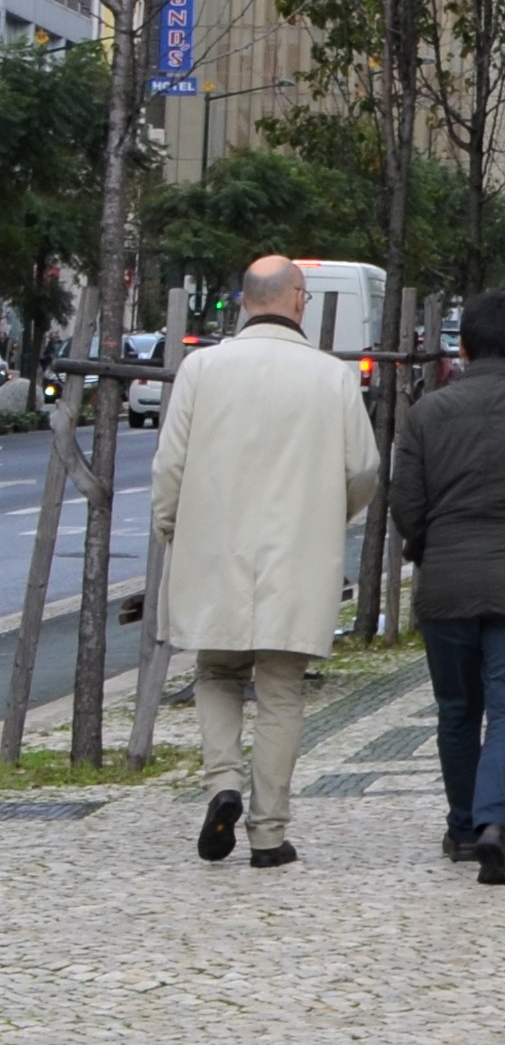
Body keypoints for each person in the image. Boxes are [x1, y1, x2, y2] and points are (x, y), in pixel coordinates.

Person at [149, 257, 380, 872]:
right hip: (296, 552)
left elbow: (170, 465)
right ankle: (268, 833)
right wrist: (331, 515)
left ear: (245, 302)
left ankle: (222, 781)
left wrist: (172, 525)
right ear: (298, 301)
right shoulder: (330, 377)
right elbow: (363, 468)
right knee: (281, 690)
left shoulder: (201, 368)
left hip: (214, 548)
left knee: (216, 673)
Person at [381, 288, 505, 884]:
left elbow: (406, 503)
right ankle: (496, 822)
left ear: (462, 347)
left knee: (457, 707)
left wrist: (428, 548)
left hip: (445, 580)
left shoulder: (426, 415)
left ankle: (464, 824)